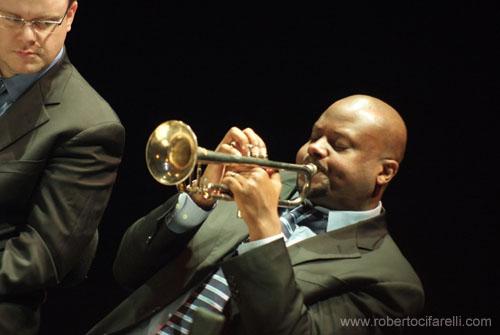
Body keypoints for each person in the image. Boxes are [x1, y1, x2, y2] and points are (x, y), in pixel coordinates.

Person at [88, 95, 423, 335]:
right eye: (315, 135)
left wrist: (264, 230)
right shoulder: (264, 182)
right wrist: (200, 198)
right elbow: (128, 270)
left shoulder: (392, 285)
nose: (316, 148)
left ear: (384, 173)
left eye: (340, 144)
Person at [0, 0, 125, 334]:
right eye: (12, 18)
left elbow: (41, 257)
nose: (27, 36)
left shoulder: (91, 126)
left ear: (69, 16)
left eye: (44, 23)